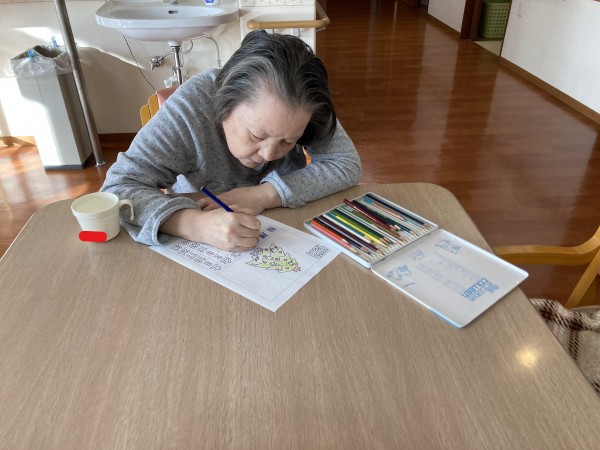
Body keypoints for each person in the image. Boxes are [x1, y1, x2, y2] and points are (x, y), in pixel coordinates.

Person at [101, 30, 362, 251]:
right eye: (257, 136)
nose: (269, 155)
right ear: (224, 101)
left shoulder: (306, 100)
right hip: (202, 239)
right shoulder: (191, 107)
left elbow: (346, 164)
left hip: (285, 229)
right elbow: (118, 187)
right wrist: (193, 224)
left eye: (288, 142)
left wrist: (263, 195)